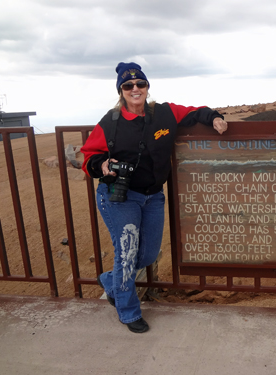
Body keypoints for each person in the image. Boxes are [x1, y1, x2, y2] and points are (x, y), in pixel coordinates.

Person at [81, 62, 228, 333]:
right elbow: (89, 156)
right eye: (128, 86)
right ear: (121, 91)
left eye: (140, 84)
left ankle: (109, 279)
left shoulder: (165, 113)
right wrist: (101, 165)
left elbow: (196, 113)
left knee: (146, 255)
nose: (135, 89)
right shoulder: (110, 123)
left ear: (147, 87)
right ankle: (127, 311)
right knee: (126, 254)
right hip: (119, 196)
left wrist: (215, 117)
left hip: (153, 196)